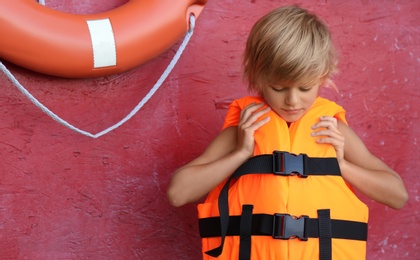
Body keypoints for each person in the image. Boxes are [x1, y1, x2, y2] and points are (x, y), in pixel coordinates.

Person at [167, 5, 408, 260]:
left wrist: (341, 166)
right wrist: (240, 154)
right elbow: (177, 193)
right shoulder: (245, 130)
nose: (292, 100)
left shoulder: (332, 130)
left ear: (323, 76)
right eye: (278, 88)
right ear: (257, 78)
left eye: (305, 88)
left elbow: (398, 195)